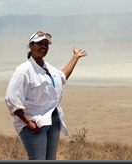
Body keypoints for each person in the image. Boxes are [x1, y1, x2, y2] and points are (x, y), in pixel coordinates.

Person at [5, 31, 88, 160]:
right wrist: (28, 122)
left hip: (52, 120)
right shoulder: (24, 70)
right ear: (31, 45)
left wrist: (75, 58)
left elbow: (61, 77)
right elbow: (12, 100)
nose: (43, 47)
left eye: (46, 44)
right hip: (35, 124)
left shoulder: (47, 67)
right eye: (39, 43)